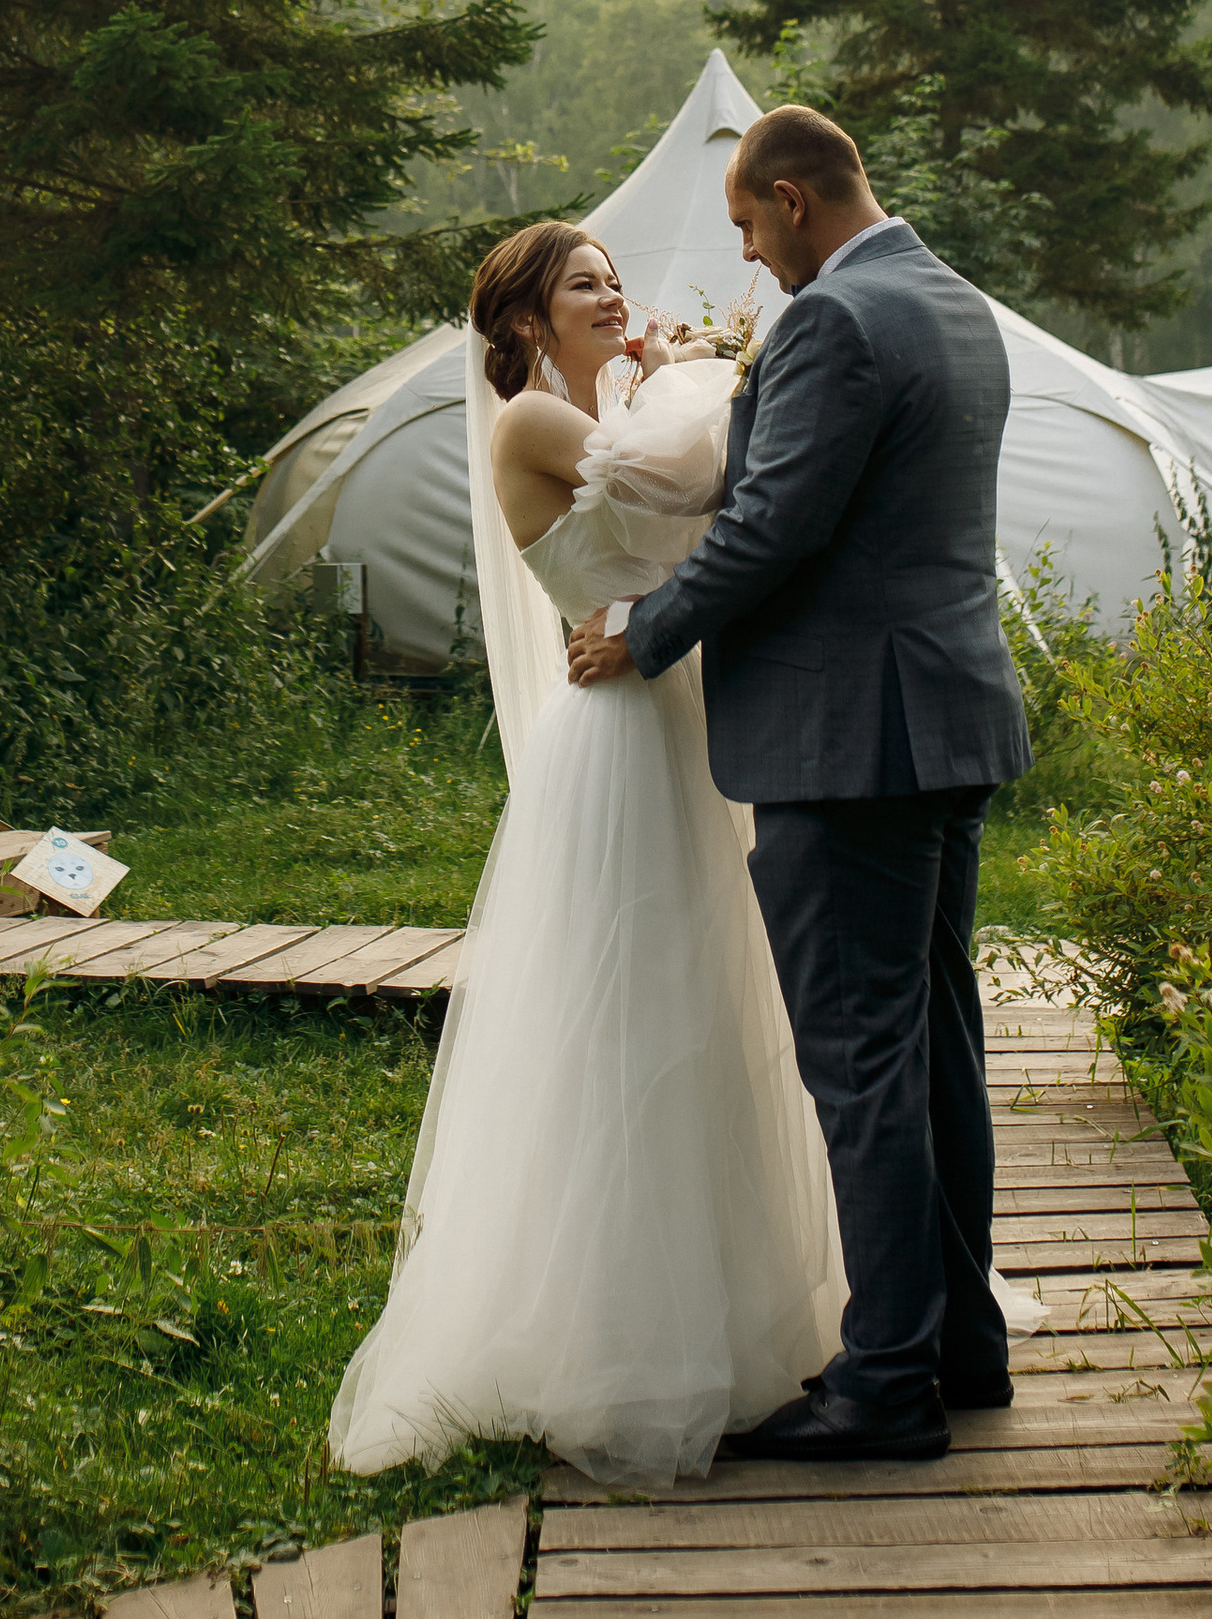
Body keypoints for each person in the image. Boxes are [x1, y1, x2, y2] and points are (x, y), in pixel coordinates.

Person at [328, 221, 843, 1485]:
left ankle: (739, 1305)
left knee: (712, 1005)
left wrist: (680, 367)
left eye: (617, 276)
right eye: (584, 284)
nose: (613, 294)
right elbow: (693, 475)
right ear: (521, 326)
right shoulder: (530, 427)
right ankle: (621, 1337)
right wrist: (693, 365)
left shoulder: (612, 409)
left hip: (670, 712)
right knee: (634, 1016)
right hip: (614, 740)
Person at [566, 103, 1032, 1462]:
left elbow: (775, 520)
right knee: (937, 1040)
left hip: (851, 740)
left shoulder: (834, 320)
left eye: (748, 230)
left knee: (863, 1057)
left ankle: (886, 1386)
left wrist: (642, 636)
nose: (753, 263)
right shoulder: (955, 303)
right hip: (945, 724)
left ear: (791, 199)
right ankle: (959, 1346)